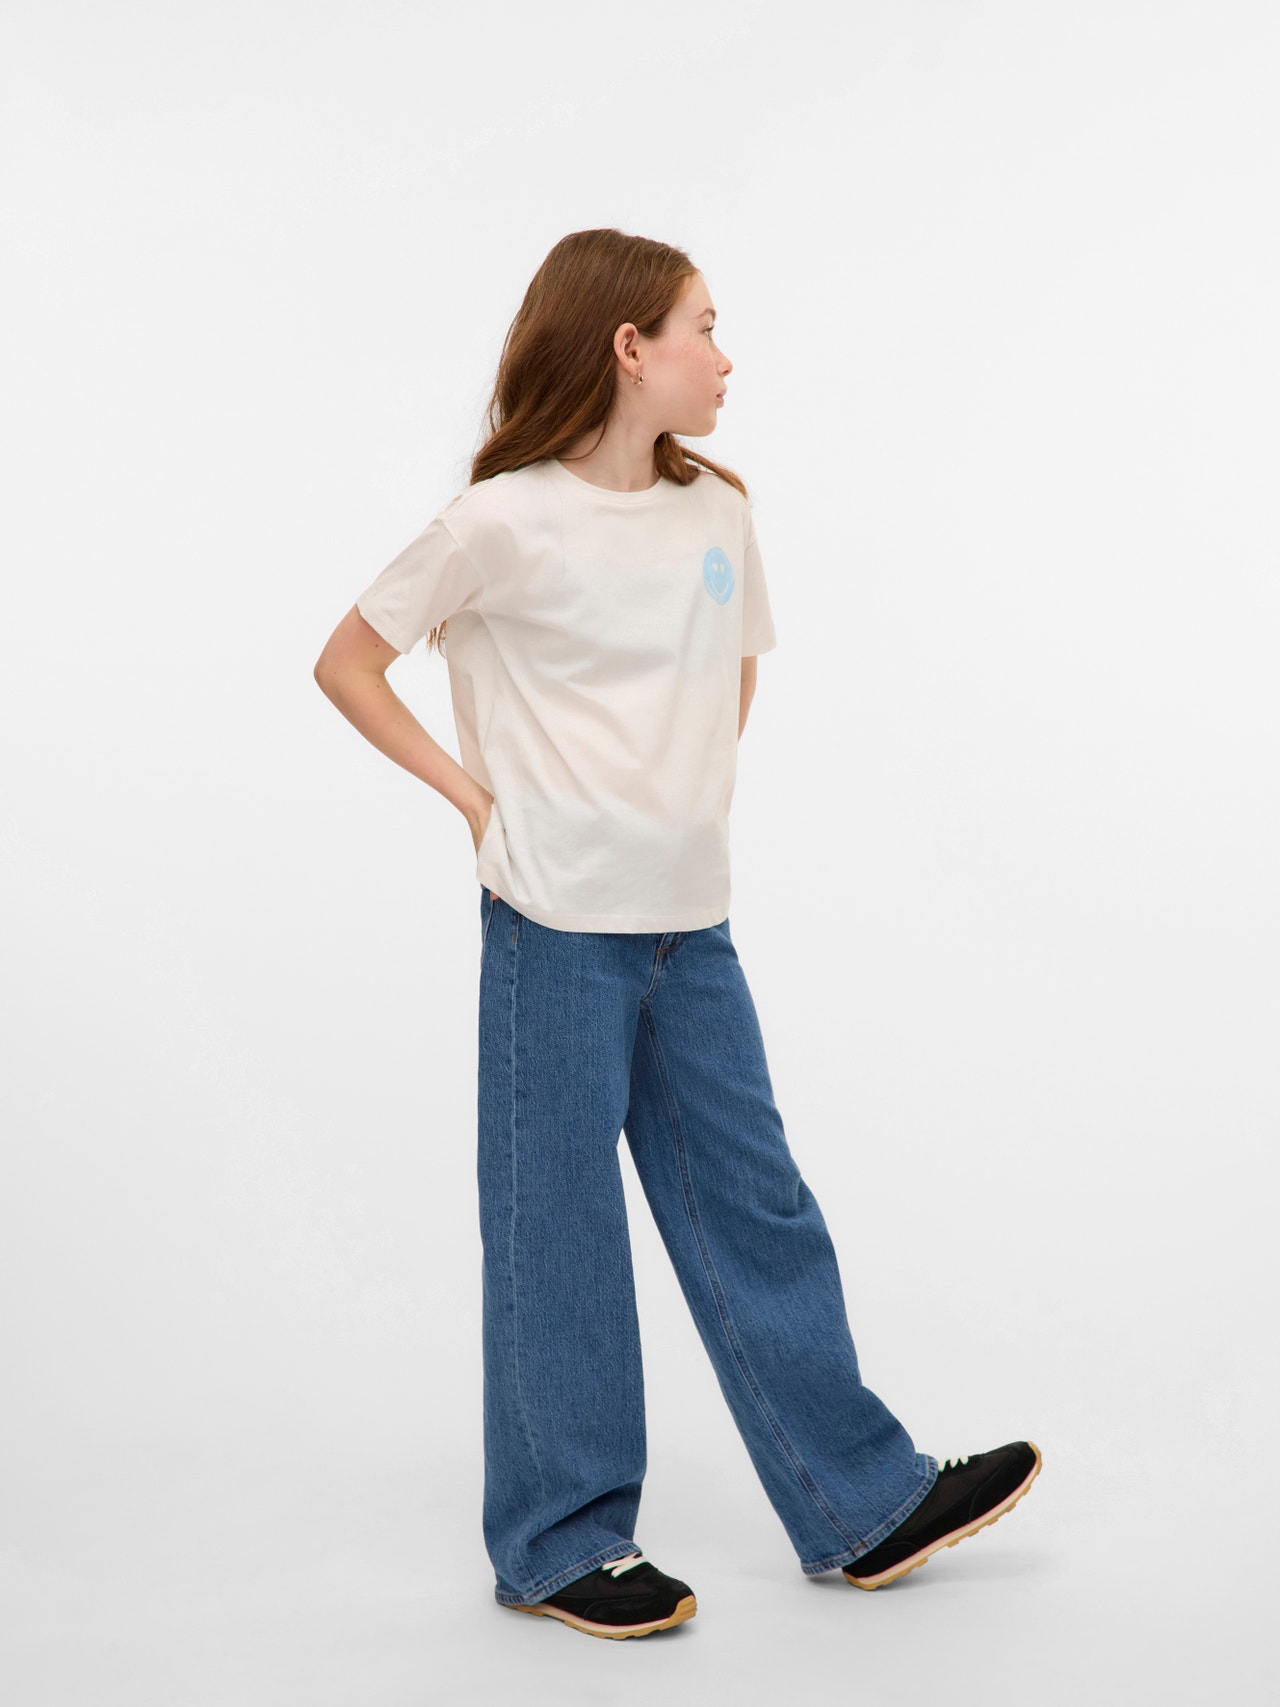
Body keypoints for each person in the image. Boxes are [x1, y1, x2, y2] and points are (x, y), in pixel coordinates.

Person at [313, 227, 1041, 1642]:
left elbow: (732, 679)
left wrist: (674, 807)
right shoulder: (499, 522)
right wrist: (478, 803)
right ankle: (559, 1541)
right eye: (704, 326)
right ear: (628, 346)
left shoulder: (718, 513)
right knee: (559, 1228)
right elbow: (348, 661)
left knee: (756, 1206)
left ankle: (863, 1503)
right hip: (553, 924)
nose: (726, 357)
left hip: (689, 925)